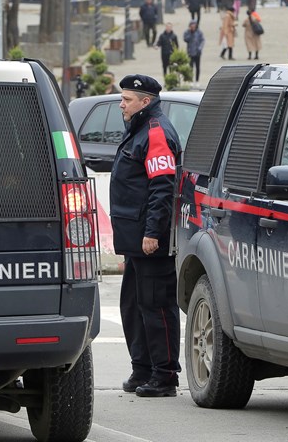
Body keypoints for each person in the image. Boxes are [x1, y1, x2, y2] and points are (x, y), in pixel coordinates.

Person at [110, 74, 182, 398]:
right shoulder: (138, 129)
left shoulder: (155, 132)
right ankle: (142, 367)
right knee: (134, 305)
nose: (121, 104)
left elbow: (162, 186)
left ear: (145, 102)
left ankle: (164, 375)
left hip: (149, 239)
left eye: (127, 99)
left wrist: (153, 233)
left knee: (156, 305)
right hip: (134, 241)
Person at [184, 20, 205, 86]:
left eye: (194, 25)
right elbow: (186, 39)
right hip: (190, 52)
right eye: (191, 26)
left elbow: (202, 40)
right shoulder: (187, 32)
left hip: (197, 52)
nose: (193, 27)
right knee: (190, 67)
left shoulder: (199, 32)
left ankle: (197, 80)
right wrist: (191, 33)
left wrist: (200, 48)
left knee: (197, 67)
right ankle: (191, 80)